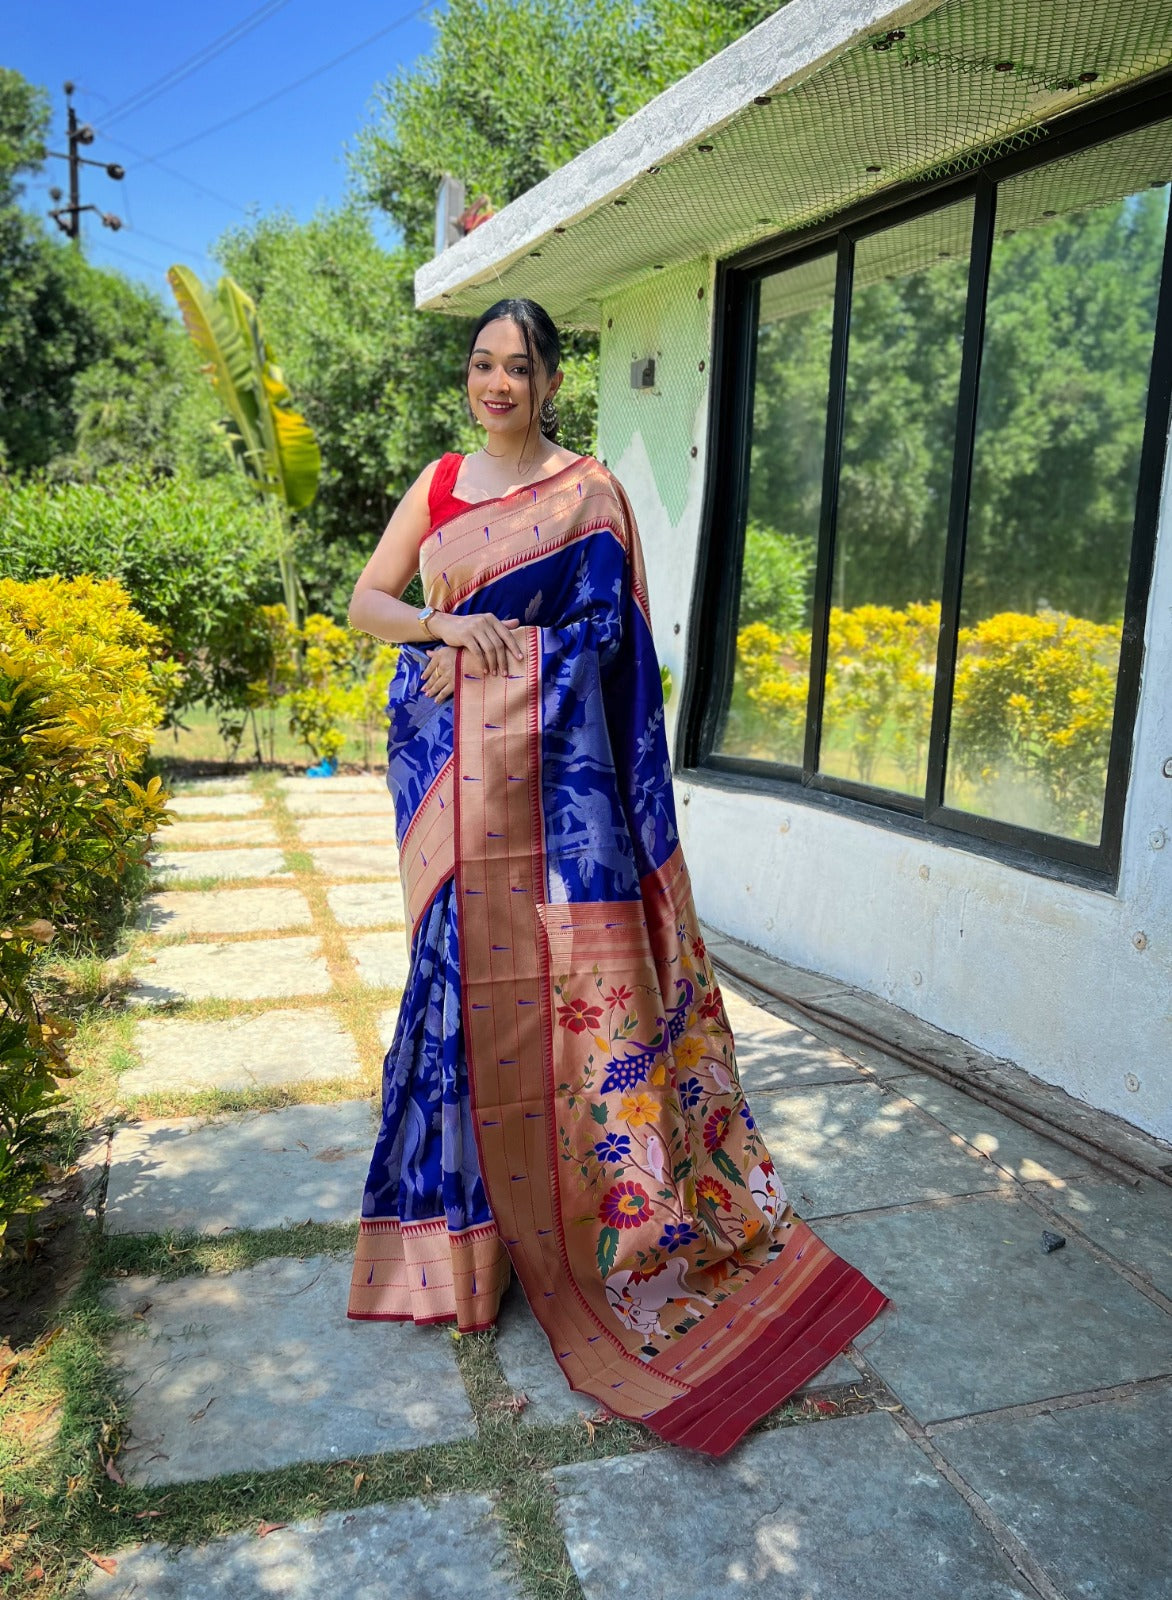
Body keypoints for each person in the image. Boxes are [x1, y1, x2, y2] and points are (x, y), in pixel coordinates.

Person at [346, 297, 886, 1455]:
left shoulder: (588, 492)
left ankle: (590, 1233)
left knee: (564, 1008)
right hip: (449, 788)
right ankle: (455, 1260)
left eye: (519, 366)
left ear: (549, 380)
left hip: (555, 802)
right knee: (450, 993)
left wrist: (514, 655)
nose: (498, 383)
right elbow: (369, 603)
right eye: (483, 363)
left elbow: (612, 646)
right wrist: (442, 636)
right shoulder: (439, 483)